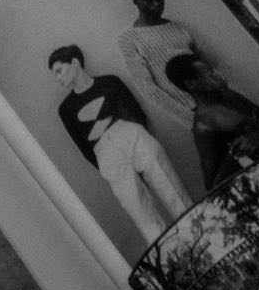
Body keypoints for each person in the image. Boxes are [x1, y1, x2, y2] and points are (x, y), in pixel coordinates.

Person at [49, 45, 192, 249]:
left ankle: (199, 231)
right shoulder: (66, 109)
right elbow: (83, 146)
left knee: (170, 187)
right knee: (138, 209)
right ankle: (171, 254)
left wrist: (137, 136)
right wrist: (105, 162)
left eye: (59, 70)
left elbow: (136, 111)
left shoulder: (109, 82)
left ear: (74, 62)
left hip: (133, 136)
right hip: (105, 153)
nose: (58, 78)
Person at [162, 52, 259, 190]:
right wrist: (234, 155)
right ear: (191, 84)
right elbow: (213, 186)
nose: (219, 75)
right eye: (210, 75)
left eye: (214, 71)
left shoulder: (230, 97)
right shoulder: (204, 127)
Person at [114, 0, 202, 126]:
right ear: (135, 2)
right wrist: (190, 119)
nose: (157, 4)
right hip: (191, 110)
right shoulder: (128, 39)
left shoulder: (181, 27)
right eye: (149, 0)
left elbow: (209, 62)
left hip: (215, 97)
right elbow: (147, 88)